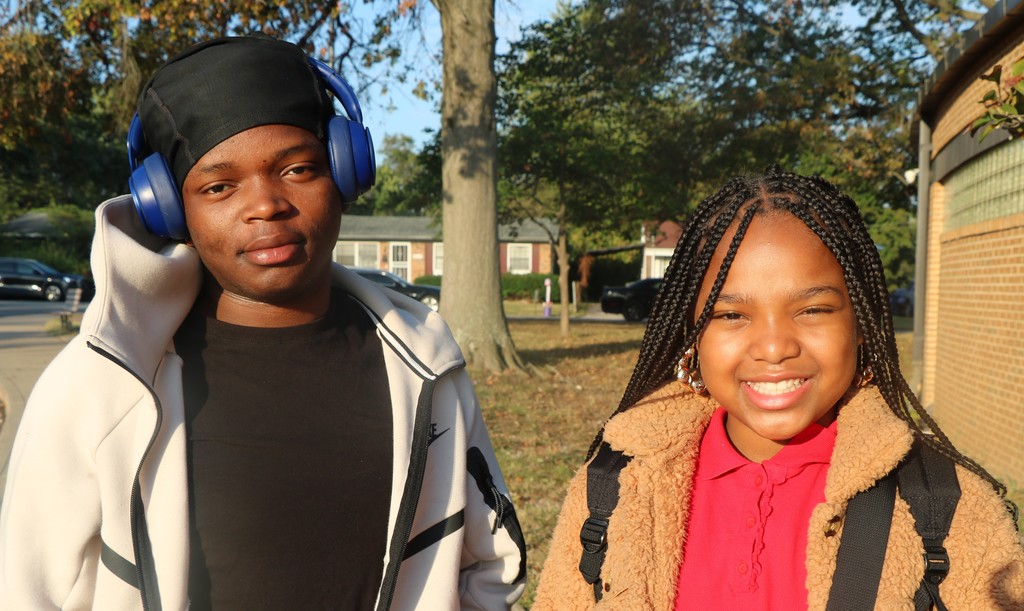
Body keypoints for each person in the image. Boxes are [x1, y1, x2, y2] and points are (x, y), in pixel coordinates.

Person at [0, 35, 526, 610]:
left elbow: (491, 563)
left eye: (298, 168)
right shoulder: (103, 384)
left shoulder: (425, 363)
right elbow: (27, 591)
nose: (266, 204)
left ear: (345, 173)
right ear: (172, 210)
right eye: (219, 186)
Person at [533, 167, 1024, 609]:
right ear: (693, 334)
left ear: (862, 325)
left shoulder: (945, 505)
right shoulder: (614, 485)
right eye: (731, 315)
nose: (773, 347)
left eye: (812, 310)